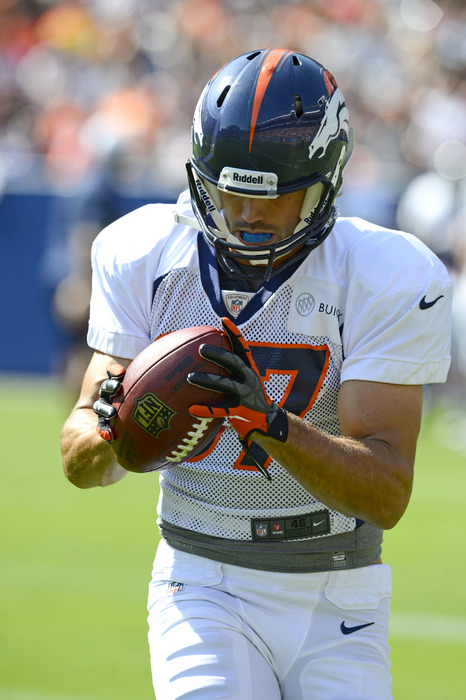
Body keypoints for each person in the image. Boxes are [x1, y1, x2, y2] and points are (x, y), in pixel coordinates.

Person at [60, 49, 453, 700]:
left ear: (327, 180)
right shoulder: (144, 253)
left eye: (272, 196)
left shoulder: (383, 274)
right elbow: (82, 462)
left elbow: (386, 493)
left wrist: (266, 422)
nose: (245, 215)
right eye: (229, 190)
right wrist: (112, 429)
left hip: (336, 583)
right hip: (199, 576)